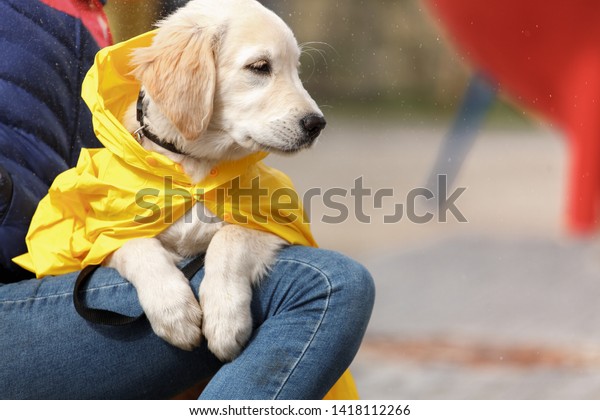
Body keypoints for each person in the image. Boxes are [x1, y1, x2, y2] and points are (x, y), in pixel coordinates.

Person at [0, 0, 375, 399]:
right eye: (260, 69)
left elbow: (270, 226)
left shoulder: (82, 27)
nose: (308, 109)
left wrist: (230, 259)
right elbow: (73, 236)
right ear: (186, 78)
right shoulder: (59, 34)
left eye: (291, 69)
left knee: (326, 281)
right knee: (330, 285)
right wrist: (138, 259)